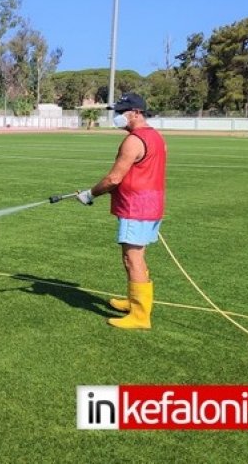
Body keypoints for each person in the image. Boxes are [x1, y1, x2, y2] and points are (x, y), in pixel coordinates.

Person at [75, 92, 167, 330]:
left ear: (136, 112)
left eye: (121, 112)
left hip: (136, 207)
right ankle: (134, 301)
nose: (117, 116)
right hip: (150, 204)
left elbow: (114, 178)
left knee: (132, 258)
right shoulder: (155, 136)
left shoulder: (134, 140)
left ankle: (139, 315)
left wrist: (90, 194)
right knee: (138, 256)